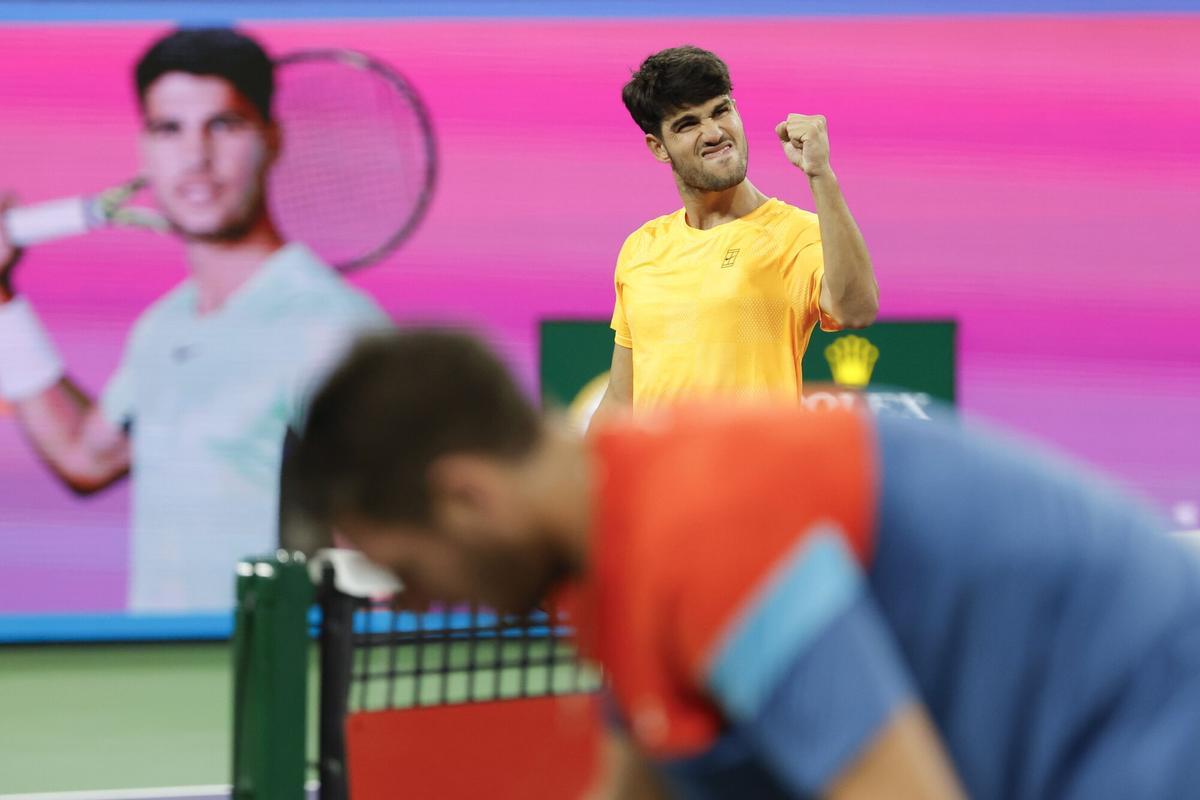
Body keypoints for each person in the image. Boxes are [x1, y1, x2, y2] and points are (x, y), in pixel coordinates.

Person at [295, 329, 1200, 800]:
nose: (415, 606)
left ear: (468, 499)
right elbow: (642, 785)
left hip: (1155, 719)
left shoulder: (697, 534)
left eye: (406, 572)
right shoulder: (604, 537)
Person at [0, 28, 388, 611]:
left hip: (275, 689)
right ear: (145, 148)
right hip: (161, 682)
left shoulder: (335, 328)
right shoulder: (164, 327)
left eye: (224, 125)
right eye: (169, 128)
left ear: (272, 139)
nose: (196, 157)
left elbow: (379, 562)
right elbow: (87, 457)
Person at [594, 46, 879, 420]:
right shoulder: (641, 248)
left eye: (721, 110)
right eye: (688, 124)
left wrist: (820, 176)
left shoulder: (795, 234)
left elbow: (856, 309)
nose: (714, 133)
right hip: (662, 479)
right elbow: (621, 399)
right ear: (658, 148)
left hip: (756, 477)